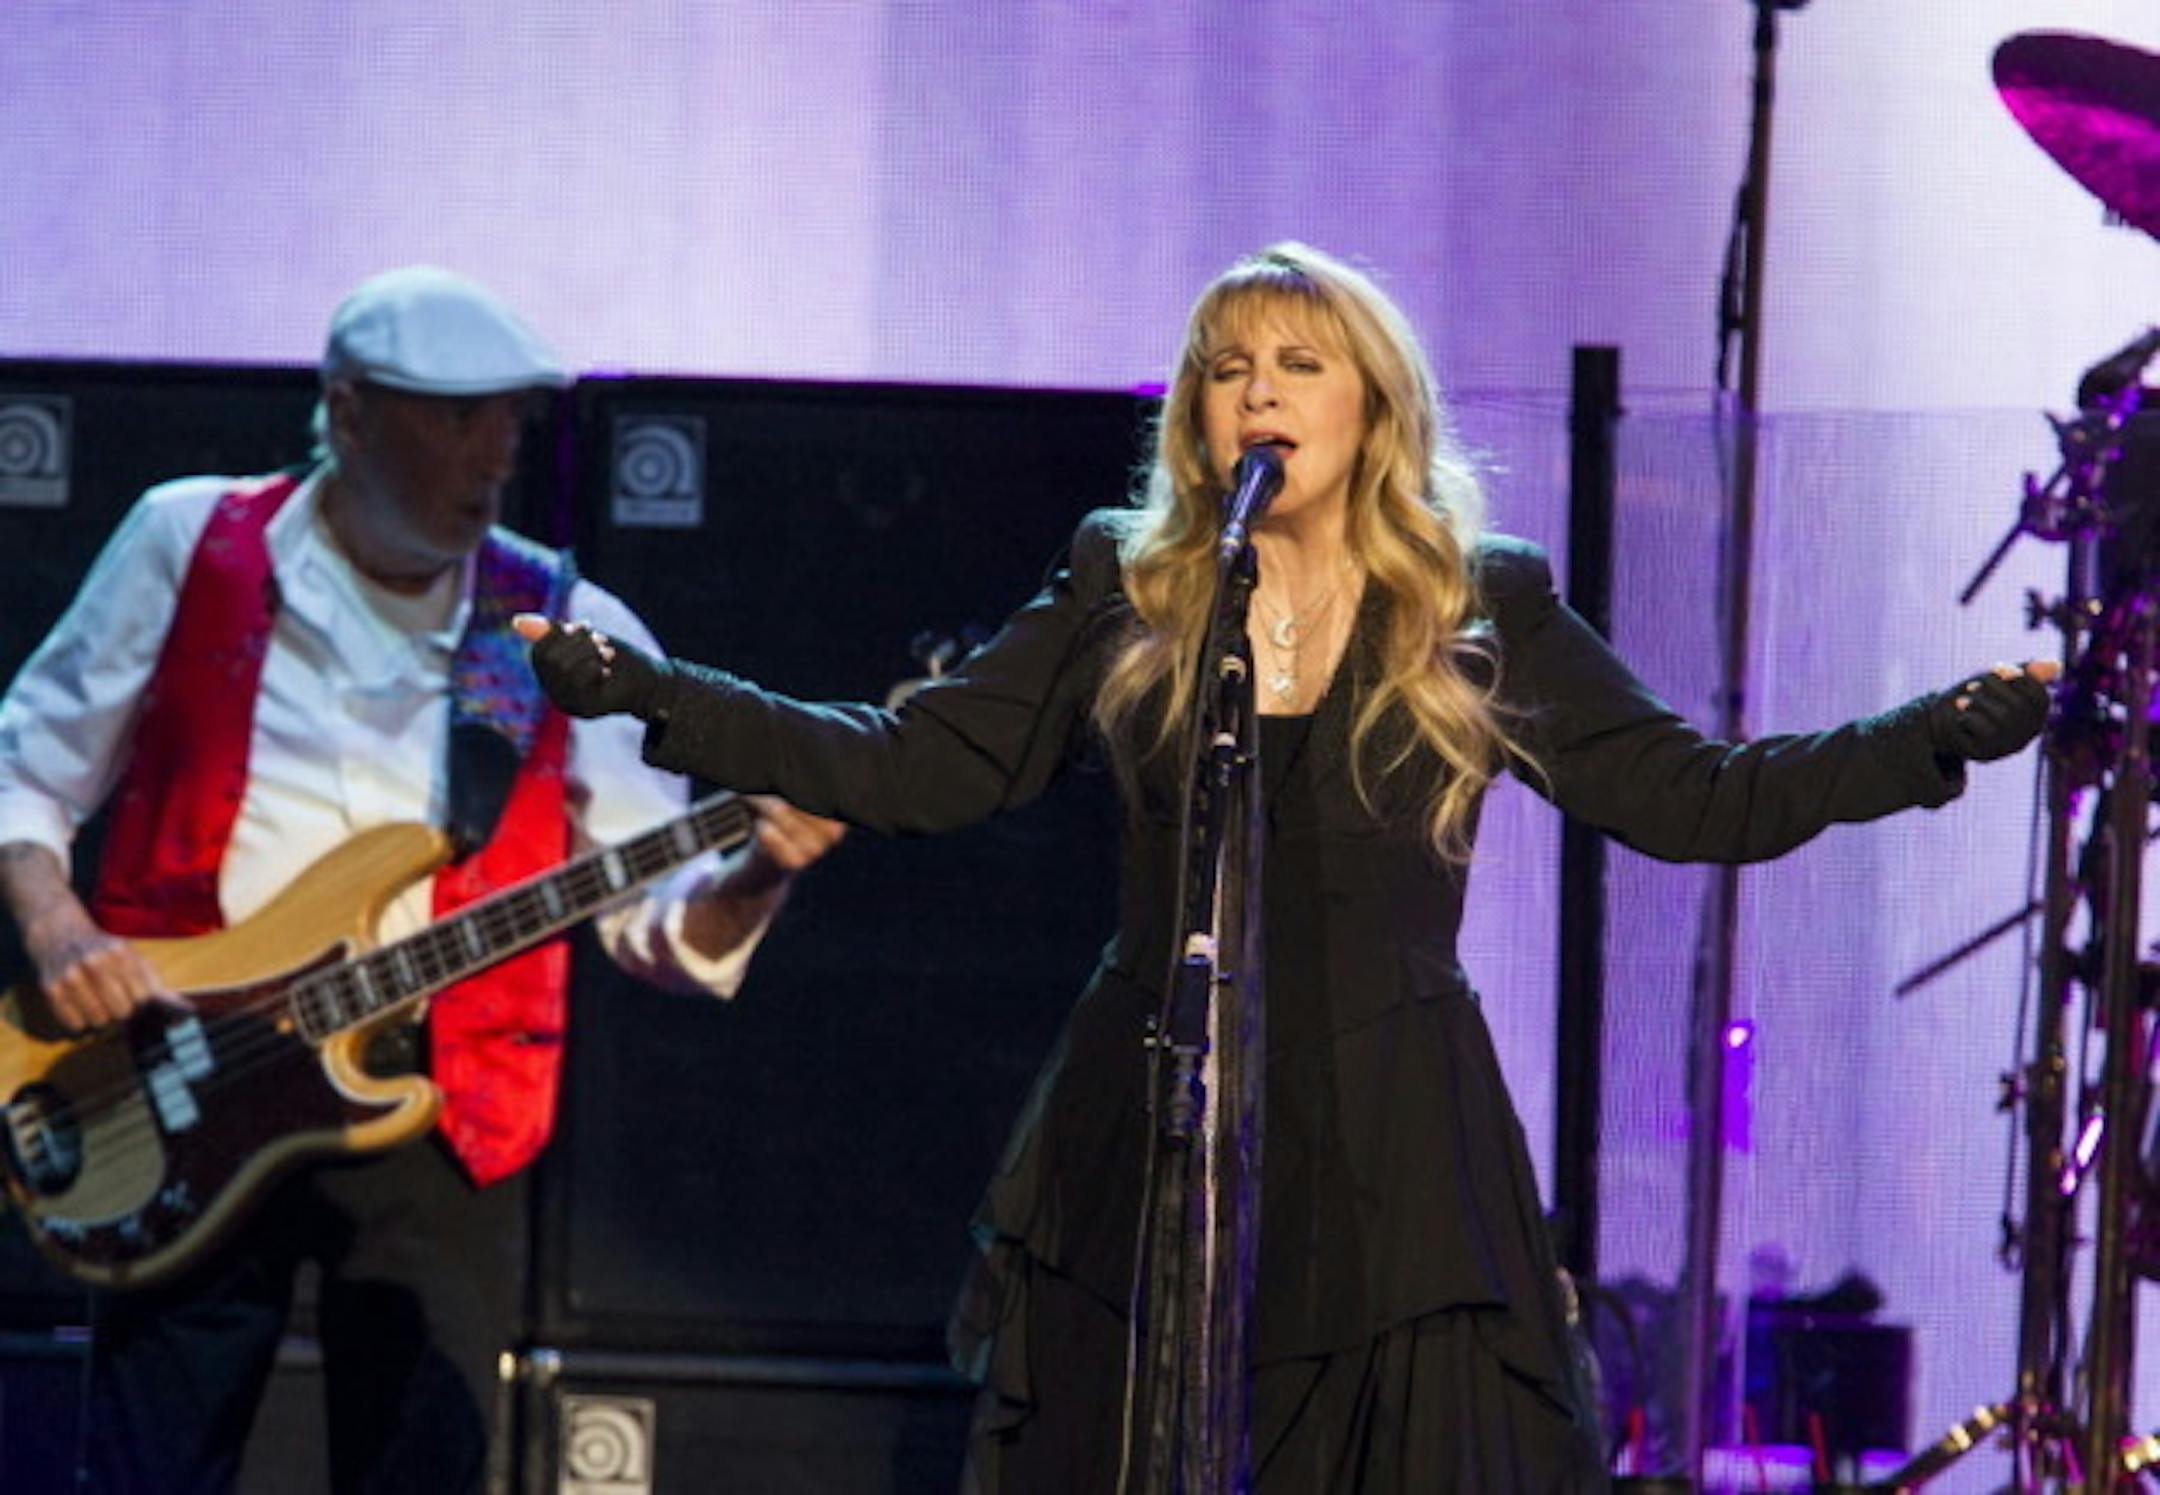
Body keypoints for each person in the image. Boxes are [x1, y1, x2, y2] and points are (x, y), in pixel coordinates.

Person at [515, 242, 2053, 1494]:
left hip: (1388, 1132)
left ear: (1374, 407)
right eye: (1229, 366)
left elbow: (1690, 796)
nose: (1258, 390)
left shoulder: (1475, 601)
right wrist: (653, 693)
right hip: (1157, 1108)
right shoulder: (1131, 583)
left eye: (1297, 362)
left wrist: (1926, 735)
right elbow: (918, 763)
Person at [0, 265, 844, 1494]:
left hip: (441, 1110)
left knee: (421, 1466)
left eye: (509, 417)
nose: (494, 452)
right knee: (150, 1462)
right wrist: (57, 924)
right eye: (456, 416)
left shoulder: (559, 627)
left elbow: (657, 926)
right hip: (180, 1074)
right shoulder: (189, 542)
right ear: (347, 412)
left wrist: (764, 866)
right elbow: (29, 766)